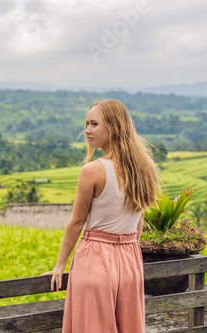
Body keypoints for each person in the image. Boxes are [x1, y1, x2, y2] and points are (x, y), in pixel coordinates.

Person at [41, 99, 161, 333]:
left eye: (94, 124)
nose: (86, 130)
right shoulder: (145, 168)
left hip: (95, 259)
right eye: (86, 123)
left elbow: (76, 222)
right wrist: (130, 248)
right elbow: (139, 220)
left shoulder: (93, 170)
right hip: (130, 262)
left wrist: (60, 265)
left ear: (113, 128)